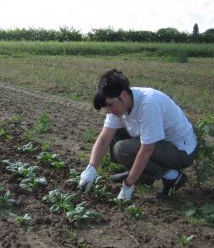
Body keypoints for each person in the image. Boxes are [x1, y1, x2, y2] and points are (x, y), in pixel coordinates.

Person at [78, 69, 197, 200]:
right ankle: (143, 175)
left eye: (110, 105)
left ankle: (173, 177)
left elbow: (147, 150)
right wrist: (91, 168)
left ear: (123, 95)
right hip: (158, 142)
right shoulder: (120, 105)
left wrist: (127, 185)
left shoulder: (148, 104)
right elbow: (104, 139)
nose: (109, 111)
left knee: (122, 149)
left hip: (180, 150)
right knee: (114, 132)